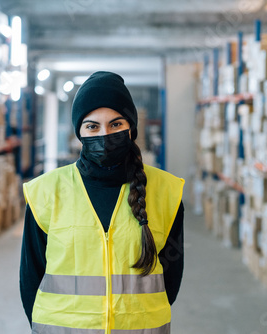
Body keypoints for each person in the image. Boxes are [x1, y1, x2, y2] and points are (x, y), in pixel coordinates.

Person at [19, 71, 185, 333]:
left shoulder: (166, 191)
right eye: (92, 126)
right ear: (80, 132)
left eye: (116, 124)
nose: (105, 134)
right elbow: (31, 279)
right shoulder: (46, 191)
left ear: (131, 129)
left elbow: (170, 278)